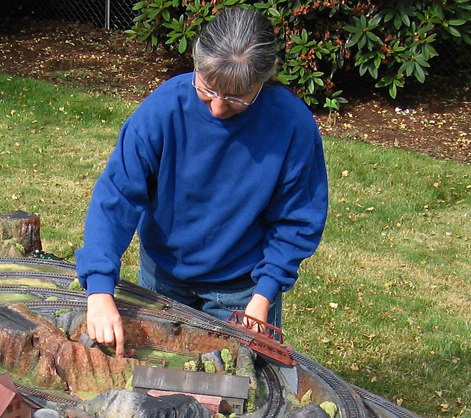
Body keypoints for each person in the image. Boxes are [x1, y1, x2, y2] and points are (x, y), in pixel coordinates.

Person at [75, 6, 328, 357]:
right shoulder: (163, 110)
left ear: (265, 79)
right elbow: (117, 196)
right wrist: (100, 289)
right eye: (207, 88)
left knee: (238, 394)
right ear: (197, 61)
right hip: (162, 278)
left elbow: (297, 220)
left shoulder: (292, 126)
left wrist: (263, 297)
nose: (218, 108)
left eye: (238, 97)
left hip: (242, 291)